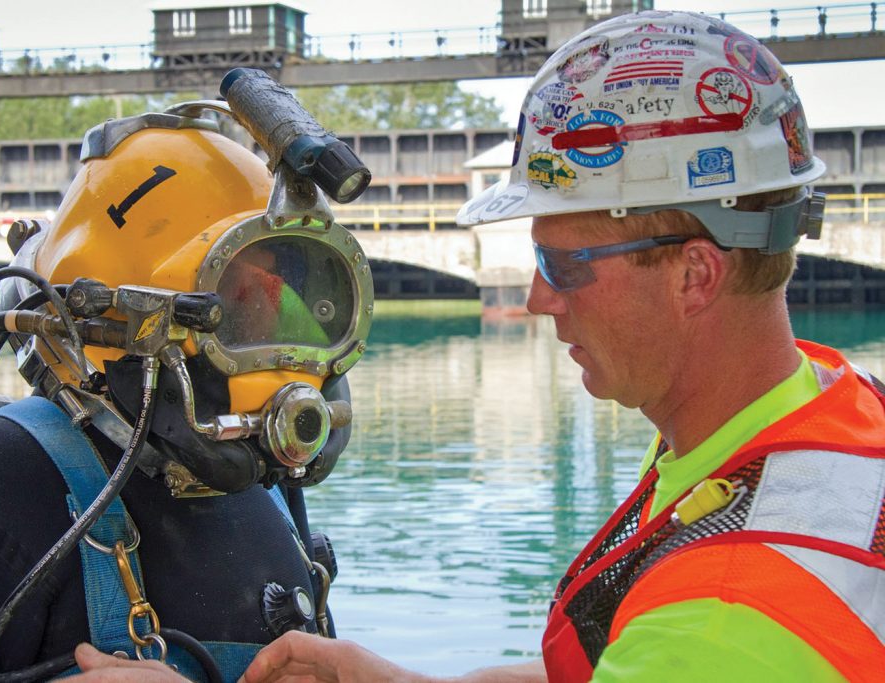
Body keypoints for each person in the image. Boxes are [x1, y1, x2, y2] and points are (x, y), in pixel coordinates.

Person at [66, 9, 885, 683]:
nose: (535, 298)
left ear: (694, 275)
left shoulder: (737, 611)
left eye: (562, 263)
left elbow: (694, 644)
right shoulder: (820, 412)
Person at [0, 100, 373, 681]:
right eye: (241, 306)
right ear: (127, 319)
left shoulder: (270, 489)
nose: (288, 355)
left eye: (292, 298)